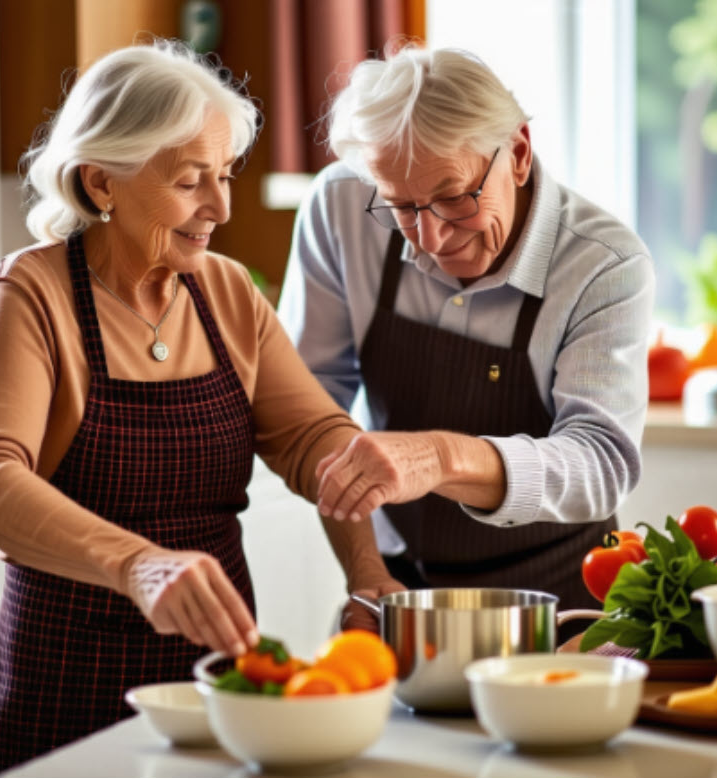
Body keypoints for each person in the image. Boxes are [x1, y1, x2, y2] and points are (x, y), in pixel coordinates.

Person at [0, 39, 443, 775]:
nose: (220, 206)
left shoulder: (227, 289)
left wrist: (365, 572)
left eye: (225, 174)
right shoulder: (29, 293)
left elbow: (315, 440)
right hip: (66, 678)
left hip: (221, 678)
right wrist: (138, 565)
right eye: (189, 181)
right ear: (101, 181)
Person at [278, 45, 656, 633]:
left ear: (519, 153)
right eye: (402, 207)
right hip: (398, 586)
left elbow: (601, 462)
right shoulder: (341, 207)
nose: (430, 238)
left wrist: (440, 458)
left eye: (455, 197)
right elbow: (305, 410)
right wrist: (365, 571)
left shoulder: (604, 263)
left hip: (562, 598)